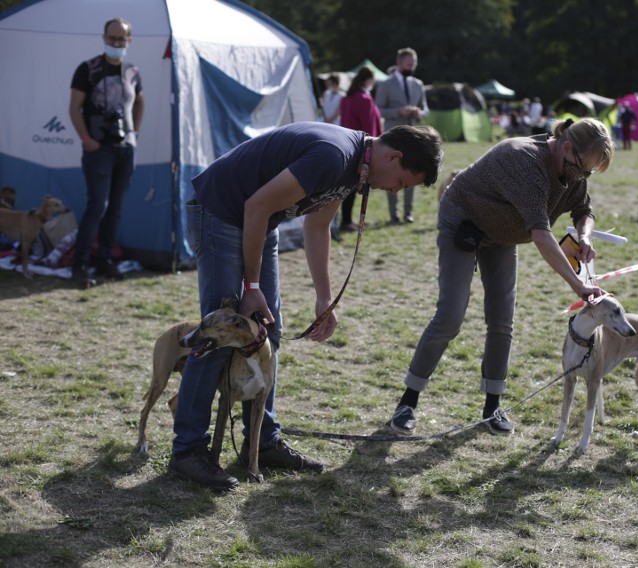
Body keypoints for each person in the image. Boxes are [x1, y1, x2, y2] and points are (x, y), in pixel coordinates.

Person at [169, 122, 443, 490]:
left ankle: (263, 441)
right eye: (401, 183)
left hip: (260, 222)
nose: (394, 191)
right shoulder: (334, 156)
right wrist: (250, 286)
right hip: (221, 212)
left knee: (269, 333)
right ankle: (188, 451)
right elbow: (256, 204)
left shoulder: (354, 169)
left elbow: (318, 225)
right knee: (217, 337)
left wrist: (323, 298)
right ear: (393, 157)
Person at [387, 118, 614, 436]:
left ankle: (492, 406)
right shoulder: (524, 159)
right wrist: (578, 286)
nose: (582, 177)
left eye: (588, 173)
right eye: (581, 169)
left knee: (502, 319)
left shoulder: (573, 168)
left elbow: (583, 210)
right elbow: (540, 234)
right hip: (464, 221)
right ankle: (407, 402)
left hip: (504, 234)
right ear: (565, 147)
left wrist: (585, 236)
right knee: (450, 315)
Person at [68, 17, 143, 287]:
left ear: (129, 41)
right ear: (104, 38)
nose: (116, 43)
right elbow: (74, 107)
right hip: (98, 149)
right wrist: (86, 139)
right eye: (112, 38)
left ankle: (104, 261)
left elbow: (140, 102)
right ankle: (80, 266)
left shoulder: (132, 71)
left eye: (121, 39)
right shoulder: (87, 69)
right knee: (98, 205)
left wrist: (134, 134)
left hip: (125, 149)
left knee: (116, 209)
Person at [374, 47, 429, 224]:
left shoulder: (418, 84)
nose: (411, 67)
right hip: (393, 137)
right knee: (392, 174)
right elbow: (377, 110)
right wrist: (399, 111)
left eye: (414, 65)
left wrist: (418, 112)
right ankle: (393, 214)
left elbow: (425, 109)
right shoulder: (385, 84)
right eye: (408, 64)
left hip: (414, 136)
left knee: (413, 172)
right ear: (399, 63)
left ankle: (408, 213)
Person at [338, 66, 383, 232]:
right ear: (369, 80)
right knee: (353, 185)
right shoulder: (364, 98)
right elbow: (369, 128)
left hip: (345, 145)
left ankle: (344, 220)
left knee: (343, 186)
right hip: (361, 148)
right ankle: (347, 220)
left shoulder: (346, 98)